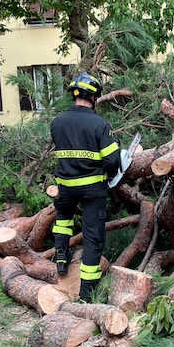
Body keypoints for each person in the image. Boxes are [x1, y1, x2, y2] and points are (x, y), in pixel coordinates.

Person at [50, 71, 121, 301]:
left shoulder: (57, 122)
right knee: (92, 238)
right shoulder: (99, 124)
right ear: (93, 97)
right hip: (92, 190)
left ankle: (61, 258)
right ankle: (86, 294)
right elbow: (112, 160)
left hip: (65, 187)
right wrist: (110, 175)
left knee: (63, 219)